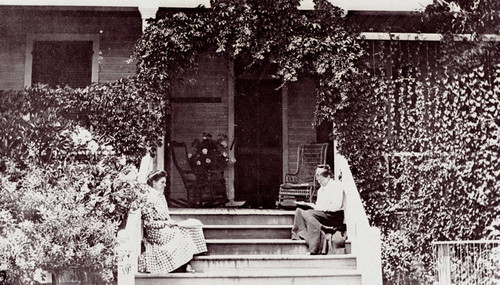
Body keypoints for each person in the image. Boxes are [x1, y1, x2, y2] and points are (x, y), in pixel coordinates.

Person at [138, 170, 207, 273]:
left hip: (165, 227)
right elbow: (148, 224)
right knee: (182, 234)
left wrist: (170, 222)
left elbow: (165, 216)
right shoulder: (148, 198)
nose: (164, 185)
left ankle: (188, 260)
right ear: (154, 183)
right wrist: (165, 224)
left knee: (193, 224)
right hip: (156, 232)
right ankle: (185, 265)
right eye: (162, 182)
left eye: (165, 182)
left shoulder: (160, 196)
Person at [291, 164, 345, 255]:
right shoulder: (321, 190)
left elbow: (336, 205)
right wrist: (309, 205)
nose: (319, 182)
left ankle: (315, 248)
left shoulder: (336, 186)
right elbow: (319, 206)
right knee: (299, 211)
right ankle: (301, 235)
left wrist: (321, 209)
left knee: (309, 215)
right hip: (323, 213)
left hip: (333, 215)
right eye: (318, 180)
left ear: (328, 177)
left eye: (321, 180)